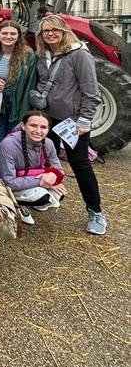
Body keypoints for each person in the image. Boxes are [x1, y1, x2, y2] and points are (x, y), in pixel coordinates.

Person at [35, 15, 106, 235]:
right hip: (48, 119)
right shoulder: (42, 55)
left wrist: (84, 120)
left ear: (65, 31)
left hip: (72, 121)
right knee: (47, 160)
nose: (50, 34)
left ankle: (95, 211)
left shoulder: (79, 55)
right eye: (46, 31)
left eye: (55, 30)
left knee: (80, 164)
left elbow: (91, 91)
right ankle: (48, 196)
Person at [0, 21, 36, 167]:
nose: (8, 36)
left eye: (12, 33)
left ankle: (12, 171)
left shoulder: (27, 55)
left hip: (18, 103)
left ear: (18, 36)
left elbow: (31, 82)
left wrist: (28, 107)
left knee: (15, 139)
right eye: (5, 33)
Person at [0, 110, 67, 226]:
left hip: (27, 177)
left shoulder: (48, 143)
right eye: (33, 125)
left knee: (58, 194)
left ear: (48, 129)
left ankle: (27, 202)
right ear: (23, 126)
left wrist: (53, 176)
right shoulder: (8, 145)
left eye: (43, 127)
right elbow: (9, 181)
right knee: (43, 196)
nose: (38, 131)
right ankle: (12, 204)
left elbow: (59, 170)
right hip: (3, 182)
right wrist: (42, 181)